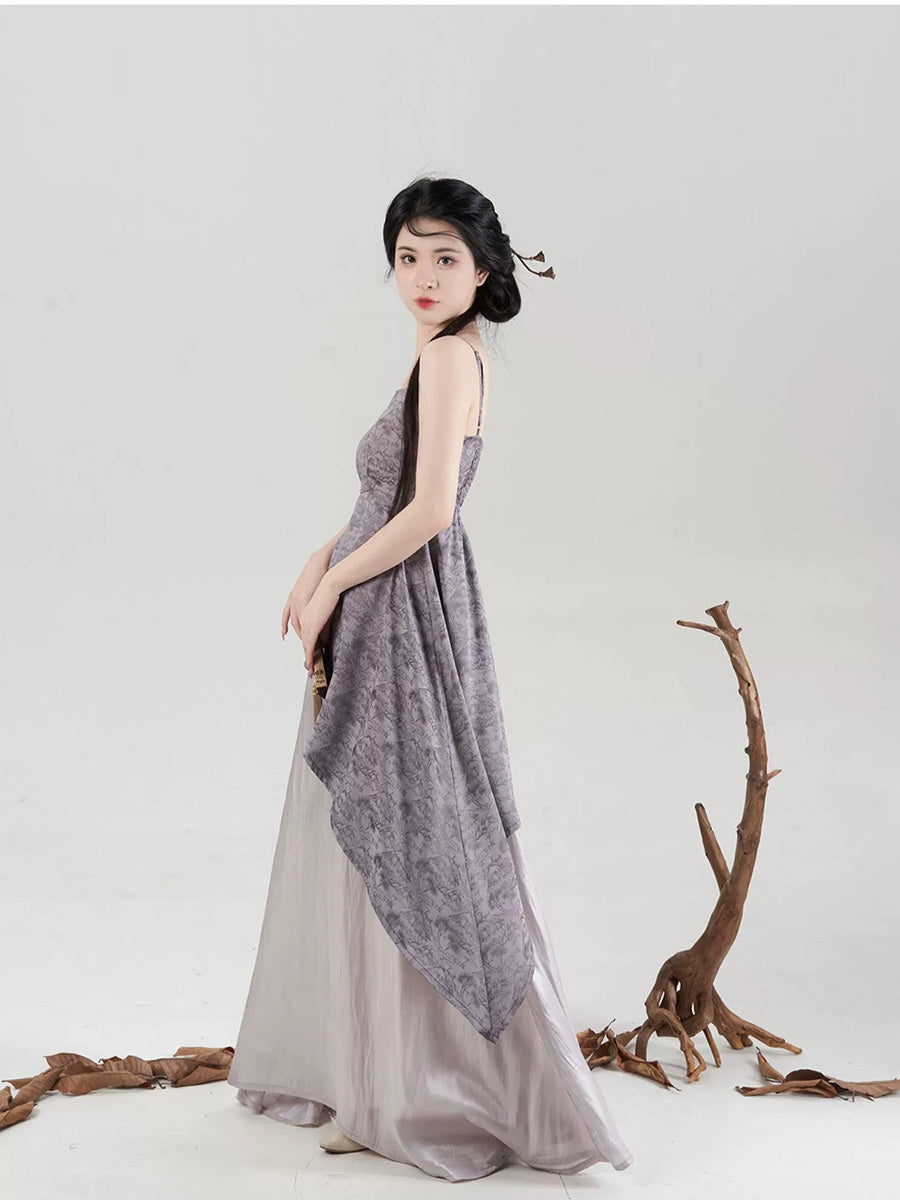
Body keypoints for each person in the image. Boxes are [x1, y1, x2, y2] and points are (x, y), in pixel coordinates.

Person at [226, 176, 634, 1182]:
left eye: (445, 257)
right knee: (391, 830)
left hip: (405, 607)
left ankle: (417, 1091)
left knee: (411, 830)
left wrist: (335, 584)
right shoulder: (439, 352)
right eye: (407, 256)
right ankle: (381, 1079)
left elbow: (431, 511)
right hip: (389, 597)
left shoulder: (452, 356)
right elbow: (386, 496)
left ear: (483, 270)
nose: (421, 275)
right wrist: (318, 559)